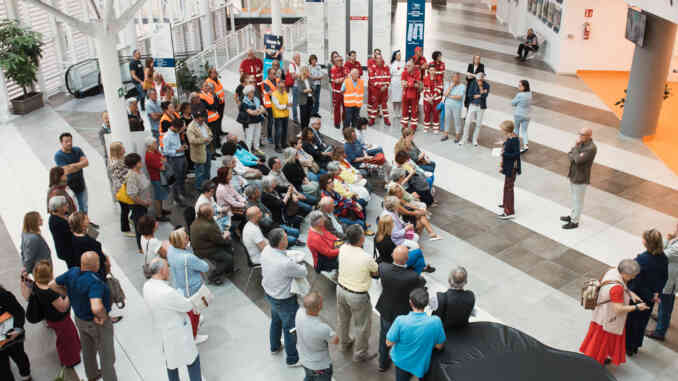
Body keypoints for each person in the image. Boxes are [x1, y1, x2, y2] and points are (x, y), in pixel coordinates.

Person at [52, 252, 117, 381]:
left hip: (80, 319)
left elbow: (52, 285)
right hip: (96, 323)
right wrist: (103, 316)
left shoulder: (72, 272)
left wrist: (68, 293)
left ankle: (92, 375)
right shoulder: (95, 282)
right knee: (106, 356)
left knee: (88, 350)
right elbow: (96, 307)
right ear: (96, 264)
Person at [143, 258, 203, 381]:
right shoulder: (167, 292)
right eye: (167, 267)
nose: (169, 270)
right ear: (161, 271)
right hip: (179, 332)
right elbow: (186, 306)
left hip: (164, 330)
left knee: (171, 363)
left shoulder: (147, 286)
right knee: (192, 360)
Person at [580, 259, 648, 366]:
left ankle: (597, 359)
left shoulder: (613, 271)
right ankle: (595, 364)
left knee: (598, 342)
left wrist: (630, 294)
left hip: (601, 314)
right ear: (625, 273)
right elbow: (618, 308)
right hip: (609, 319)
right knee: (602, 343)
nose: (633, 278)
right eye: (632, 276)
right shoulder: (617, 289)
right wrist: (636, 307)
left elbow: (620, 286)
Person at [261, 228, 307, 367]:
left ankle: (275, 346)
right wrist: (299, 263)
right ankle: (292, 359)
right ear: (281, 243)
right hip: (284, 299)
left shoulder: (267, 250)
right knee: (290, 328)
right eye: (286, 238)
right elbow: (302, 272)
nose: (288, 239)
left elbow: (282, 257)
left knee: (276, 321)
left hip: (270, 293)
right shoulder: (285, 263)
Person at [376, 246, 427, 372]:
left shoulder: (383, 268)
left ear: (393, 255)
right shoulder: (413, 277)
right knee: (405, 338)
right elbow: (421, 286)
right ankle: (403, 363)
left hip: (386, 308)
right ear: (407, 259)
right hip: (403, 312)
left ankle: (383, 363)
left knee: (385, 336)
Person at [29, 260, 80, 381]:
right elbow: (63, 307)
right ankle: (70, 360)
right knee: (66, 339)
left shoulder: (36, 285)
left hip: (51, 318)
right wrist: (69, 294)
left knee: (67, 335)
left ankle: (75, 350)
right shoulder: (49, 293)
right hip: (60, 320)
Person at [336, 225, 378, 362]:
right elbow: (376, 272)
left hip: (341, 289)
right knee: (362, 325)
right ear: (361, 239)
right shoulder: (366, 257)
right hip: (357, 295)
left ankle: (344, 342)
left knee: (343, 319)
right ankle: (360, 353)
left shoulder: (342, 248)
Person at [386, 288, 446, 381]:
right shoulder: (435, 321)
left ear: (410, 303)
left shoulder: (400, 321)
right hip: (422, 363)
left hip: (402, 362)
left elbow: (388, 343)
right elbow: (439, 346)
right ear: (426, 303)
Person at [625, 229, 668, 356]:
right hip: (651, 298)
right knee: (642, 322)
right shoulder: (663, 258)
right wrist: (656, 294)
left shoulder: (642, 259)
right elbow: (664, 278)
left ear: (647, 243)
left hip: (637, 297)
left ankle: (628, 346)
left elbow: (636, 282)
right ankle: (636, 345)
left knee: (631, 321)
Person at [167, 228, 209, 343]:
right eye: (186, 238)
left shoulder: (170, 250)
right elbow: (205, 267)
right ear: (181, 242)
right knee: (194, 312)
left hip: (179, 285)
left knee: (190, 311)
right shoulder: (187, 257)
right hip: (192, 288)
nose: (188, 239)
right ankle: (194, 336)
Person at [54, 132, 97, 227]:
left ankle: (86, 223)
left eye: (70, 141)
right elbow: (66, 170)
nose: (69, 143)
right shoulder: (58, 155)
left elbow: (86, 163)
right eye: (66, 141)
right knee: (74, 207)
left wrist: (72, 166)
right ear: (61, 143)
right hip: (69, 186)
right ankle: (79, 225)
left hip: (80, 183)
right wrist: (78, 165)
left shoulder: (77, 150)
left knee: (84, 205)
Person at [296, 292, 338, 381]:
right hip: (319, 366)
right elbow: (335, 341)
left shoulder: (299, 313)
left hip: (303, 359)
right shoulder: (322, 328)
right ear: (319, 306)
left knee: (308, 377)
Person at [646, 223, 678, 341]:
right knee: (665, 300)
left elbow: (661, 254)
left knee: (666, 304)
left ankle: (660, 331)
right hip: (668, 277)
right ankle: (661, 319)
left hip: (670, 280)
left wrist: (668, 239)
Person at [561, 127, 597, 229]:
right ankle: (573, 216)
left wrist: (576, 150)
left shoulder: (591, 148)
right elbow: (569, 154)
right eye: (579, 134)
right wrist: (575, 152)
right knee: (574, 198)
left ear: (589, 136)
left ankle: (575, 221)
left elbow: (577, 160)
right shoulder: (581, 144)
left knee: (578, 200)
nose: (580, 136)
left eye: (582, 135)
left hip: (581, 177)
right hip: (573, 174)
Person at [191, 203, 234, 284]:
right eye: (212, 211)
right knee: (228, 258)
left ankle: (228, 270)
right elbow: (219, 241)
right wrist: (226, 236)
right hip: (204, 249)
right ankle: (213, 276)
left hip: (205, 245)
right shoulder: (207, 226)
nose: (214, 211)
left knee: (228, 247)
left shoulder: (199, 220)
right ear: (208, 215)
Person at [0, 284, 32, 381]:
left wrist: (17, 329)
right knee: (3, 370)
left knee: (20, 357)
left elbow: (19, 312)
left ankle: (26, 375)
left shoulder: (3, 295)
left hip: (13, 338)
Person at [68, 212, 110, 282]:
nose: (89, 220)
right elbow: (100, 257)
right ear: (82, 223)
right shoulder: (86, 242)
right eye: (86, 219)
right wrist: (106, 262)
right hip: (96, 272)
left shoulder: (75, 236)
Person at [124, 153, 152, 252]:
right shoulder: (132, 176)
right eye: (140, 161)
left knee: (143, 224)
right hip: (138, 206)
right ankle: (141, 247)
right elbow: (132, 195)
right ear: (135, 164)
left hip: (143, 204)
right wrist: (144, 203)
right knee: (139, 226)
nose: (142, 163)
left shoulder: (140, 172)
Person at [108, 142, 134, 235]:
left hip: (122, 188)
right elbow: (121, 176)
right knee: (125, 209)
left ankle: (131, 219)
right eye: (122, 148)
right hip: (122, 189)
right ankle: (125, 229)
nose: (124, 149)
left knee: (127, 207)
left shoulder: (118, 160)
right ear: (118, 151)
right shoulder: (117, 163)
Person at [498, 121, 522, 219]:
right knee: (506, 186)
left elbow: (516, 154)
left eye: (502, 129)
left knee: (509, 188)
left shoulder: (514, 139)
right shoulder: (510, 137)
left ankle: (509, 211)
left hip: (511, 167)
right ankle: (505, 204)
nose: (501, 131)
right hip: (508, 166)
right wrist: (503, 143)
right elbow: (508, 144)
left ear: (506, 130)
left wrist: (503, 154)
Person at [187, 106, 214, 194]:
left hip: (207, 149)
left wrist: (209, 137)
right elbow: (192, 140)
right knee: (200, 171)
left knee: (207, 167)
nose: (204, 119)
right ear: (197, 118)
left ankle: (207, 184)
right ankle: (199, 188)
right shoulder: (191, 127)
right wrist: (204, 140)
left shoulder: (203, 123)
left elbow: (209, 132)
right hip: (199, 153)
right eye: (202, 117)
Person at [163, 118, 189, 205]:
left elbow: (177, 144)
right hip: (174, 160)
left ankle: (183, 192)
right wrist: (178, 150)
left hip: (182, 157)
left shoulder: (176, 133)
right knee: (176, 180)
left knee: (182, 177)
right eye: (180, 128)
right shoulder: (167, 137)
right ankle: (177, 198)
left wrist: (183, 146)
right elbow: (166, 151)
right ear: (175, 127)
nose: (181, 130)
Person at [145, 137, 171, 221]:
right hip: (156, 178)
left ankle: (161, 210)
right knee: (159, 197)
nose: (157, 144)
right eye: (154, 143)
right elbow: (162, 167)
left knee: (161, 196)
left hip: (160, 177)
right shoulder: (149, 156)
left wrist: (163, 161)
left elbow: (163, 159)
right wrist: (163, 162)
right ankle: (159, 215)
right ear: (149, 146)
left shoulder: (155, 152)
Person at [461, 72, 490, 147]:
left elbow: (485, 96)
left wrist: (480, 91)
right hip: (472, 105)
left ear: (483, 78)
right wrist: (481, 93)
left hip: (481, 106)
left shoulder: (486, 85)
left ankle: (475, 140)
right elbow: (470, 95)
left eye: (481, 79)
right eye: (478, 79)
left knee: (478, 124)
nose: (479, 81)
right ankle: (464, 139)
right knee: (467, 122)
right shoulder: (472, 83)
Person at [215, 167, 247, 232]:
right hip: (226, 210)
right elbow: (233, 203)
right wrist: (244, 204)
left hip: (231, 205)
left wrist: (243, 200)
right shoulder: (222, 189)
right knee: (246, 215)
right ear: (225, 176)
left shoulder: (228, 183)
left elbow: (236, 194)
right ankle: (238, 230)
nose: (231, 174)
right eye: (230, 173)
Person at [48, 196, 74, 266]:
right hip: (69, 252)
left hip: (70, 250)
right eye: (65, 204)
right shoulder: (56, 221)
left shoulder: (61, 216)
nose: (67, 205)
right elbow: (71, 233)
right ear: (59, 208)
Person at [240, 84, 265, 155]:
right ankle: (249, 151)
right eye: (251, 92)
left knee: (257, 136)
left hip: (258, 120)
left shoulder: (256, 99)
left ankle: (256, 148)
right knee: (249, 137)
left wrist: (258, 111)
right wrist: (258, 111)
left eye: (253, 92)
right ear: (247, 93)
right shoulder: (245, 102)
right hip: (250, 122)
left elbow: (263, 109)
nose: (253, 93)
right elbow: (251, 113)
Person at [441, 72, 466, 142]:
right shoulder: (448, 84)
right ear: (452, 78)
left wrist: (449, 96)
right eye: (454, 77)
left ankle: (457, 136)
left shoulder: (462, 86)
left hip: (457, 106)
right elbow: (445, 94)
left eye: (457, 77)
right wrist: (451, 87)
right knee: (447, 119)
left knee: (457, 120)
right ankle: (446, 135)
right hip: (447, 105)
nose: (456, 79)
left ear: (459, 78)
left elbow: (459, 97)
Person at [367, 55, 391, 126]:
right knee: (374, 105)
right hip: (376, 90)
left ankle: (386, 120)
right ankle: (372, 120)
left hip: (384, 90)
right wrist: (380, 87)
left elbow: (389, 78)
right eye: (378, 58)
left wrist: (386, 85)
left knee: (384, 105)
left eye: (381, 58)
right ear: (375, 60)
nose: (380, 60)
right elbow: (372, 79)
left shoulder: (386, 67)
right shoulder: (372, 68)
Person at [199, 81, 221, 153]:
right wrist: (213, 106)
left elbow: (217, 104)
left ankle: (214, 151)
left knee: (215, 136)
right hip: (209, 120)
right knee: (211, 137)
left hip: (215, 117)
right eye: (205, 86)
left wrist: (213, 106)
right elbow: (208, 106)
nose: (207, 87)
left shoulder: (209, 94)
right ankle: (212, 153)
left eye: (207, 86)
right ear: (201, 88)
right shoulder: (201, 96)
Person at [512, 80, 532, 152]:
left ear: (525, 87)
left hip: (518, 114)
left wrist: (517, 103)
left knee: (516, 129)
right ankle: (525, 145)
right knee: (524, 131)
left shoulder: (520, 95)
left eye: (520, 86)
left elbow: (512, 103)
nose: (518, 87)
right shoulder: (530, 94)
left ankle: (515, 144)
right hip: (527, 115)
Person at [400, 61, 421, 129]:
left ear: (413, 66)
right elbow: (403, 83)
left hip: (415, 95)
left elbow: (418, 85)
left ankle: (413, 127)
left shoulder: (417, 72)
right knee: (404, 110)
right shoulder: (404, 72)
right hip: (405, 94)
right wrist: (412, 82)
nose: (407, 67)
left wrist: (408, 83)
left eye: (409, 66)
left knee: (414, 111)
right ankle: (405, 125)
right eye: (406, 65)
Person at [261, 68, 280, 144]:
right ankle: (269, 137)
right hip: (270, 104)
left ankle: (276, 135)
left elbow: (282, 90)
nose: (275, 75)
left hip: (277, 103)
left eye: (275, 73)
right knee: (271, 121)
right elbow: (270, 93)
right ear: (269, 74)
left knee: (277, 121)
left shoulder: (278, 80)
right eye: (273, 73)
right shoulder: (265, 82)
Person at [271, 82, 291, 153]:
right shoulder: (274, 94)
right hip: (278, 115)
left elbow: (290, 101)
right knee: (278, 131)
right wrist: (286, 106)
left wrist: (286, 105)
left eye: (283, 87)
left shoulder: (285, 93)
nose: (282, 89)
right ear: (277, 87)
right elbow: (278, 106)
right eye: (281, 87)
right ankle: (277, 146)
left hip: (285, 114)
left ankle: (283, 144)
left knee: (285, 130)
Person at [422, 65, 442, 133]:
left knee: (436, 113)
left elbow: (440, 89)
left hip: (436, 99)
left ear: (435, 71)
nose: (432, 71)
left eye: (433, 70)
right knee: (427, 113)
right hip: (427, 99)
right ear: (428, 71)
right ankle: (426, 127)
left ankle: (435, 128)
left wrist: (433, 97)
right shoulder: (425, 78)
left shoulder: (439, 78)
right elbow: (425, 89)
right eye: (431, 70)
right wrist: (429, 98)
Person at [330, 55, 347, 129]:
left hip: (344, 91)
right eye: (339, 61)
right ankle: (337, 123)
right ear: (335, 62)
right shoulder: (333, 69)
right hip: (337, 92)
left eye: (341, 60)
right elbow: (336, 81)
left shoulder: (344, 69)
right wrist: (343, 78)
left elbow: (348, 78)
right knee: (337, 108)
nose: (341, 62)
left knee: (345, 107)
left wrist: (341, 79)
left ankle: (344, 120)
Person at [390, 50, 405, 120]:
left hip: (401, 81)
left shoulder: (403, 63)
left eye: (400, 54)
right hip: (395, 81)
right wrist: (400, 72)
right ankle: (394, 112)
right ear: (395, 56)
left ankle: (399, 112)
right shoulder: (392, 64)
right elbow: (392, 72)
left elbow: (404, 71)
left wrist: (401, 72)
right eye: (398, 55)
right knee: (394, 98)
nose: (400, 56)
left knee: (400, 98)